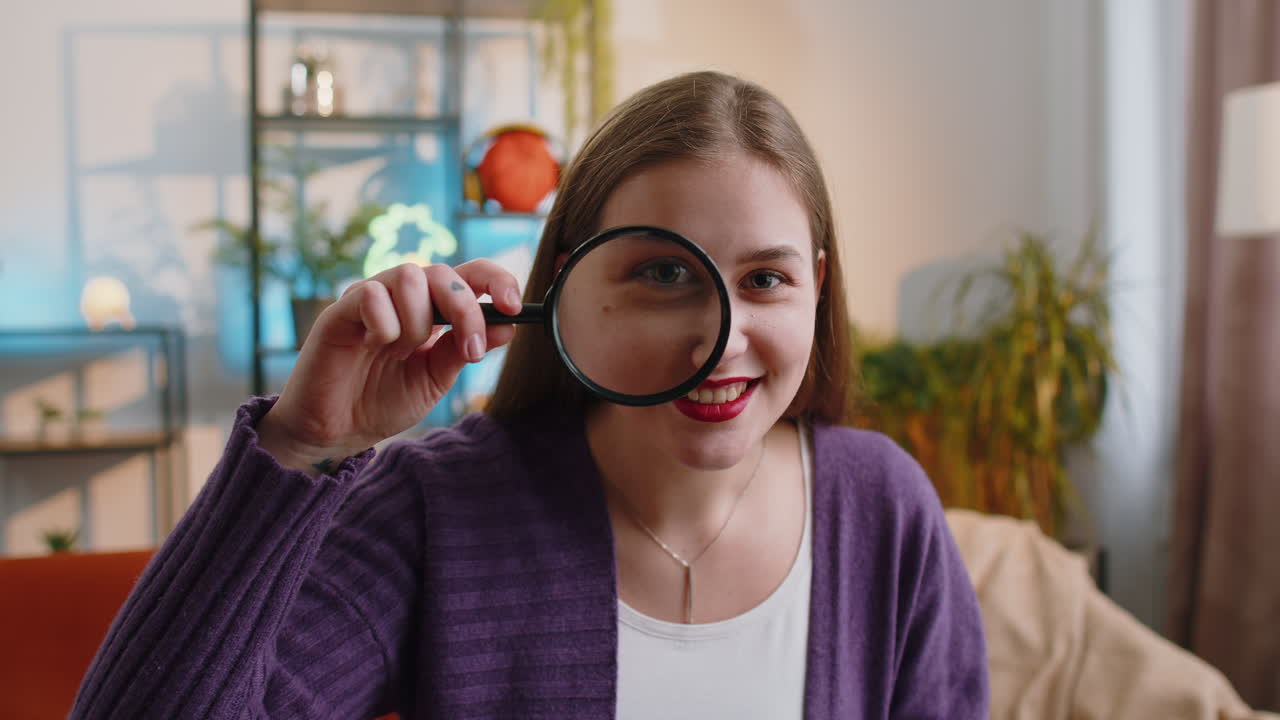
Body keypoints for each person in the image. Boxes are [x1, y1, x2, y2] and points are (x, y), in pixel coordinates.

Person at [70, 71, 988, 719]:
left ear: (818, 285)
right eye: (665, 273)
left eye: (766, 280)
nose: (720, 340)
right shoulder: (438, 508)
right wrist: (298, 444)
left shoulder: (882, 505)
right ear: (567, 284)